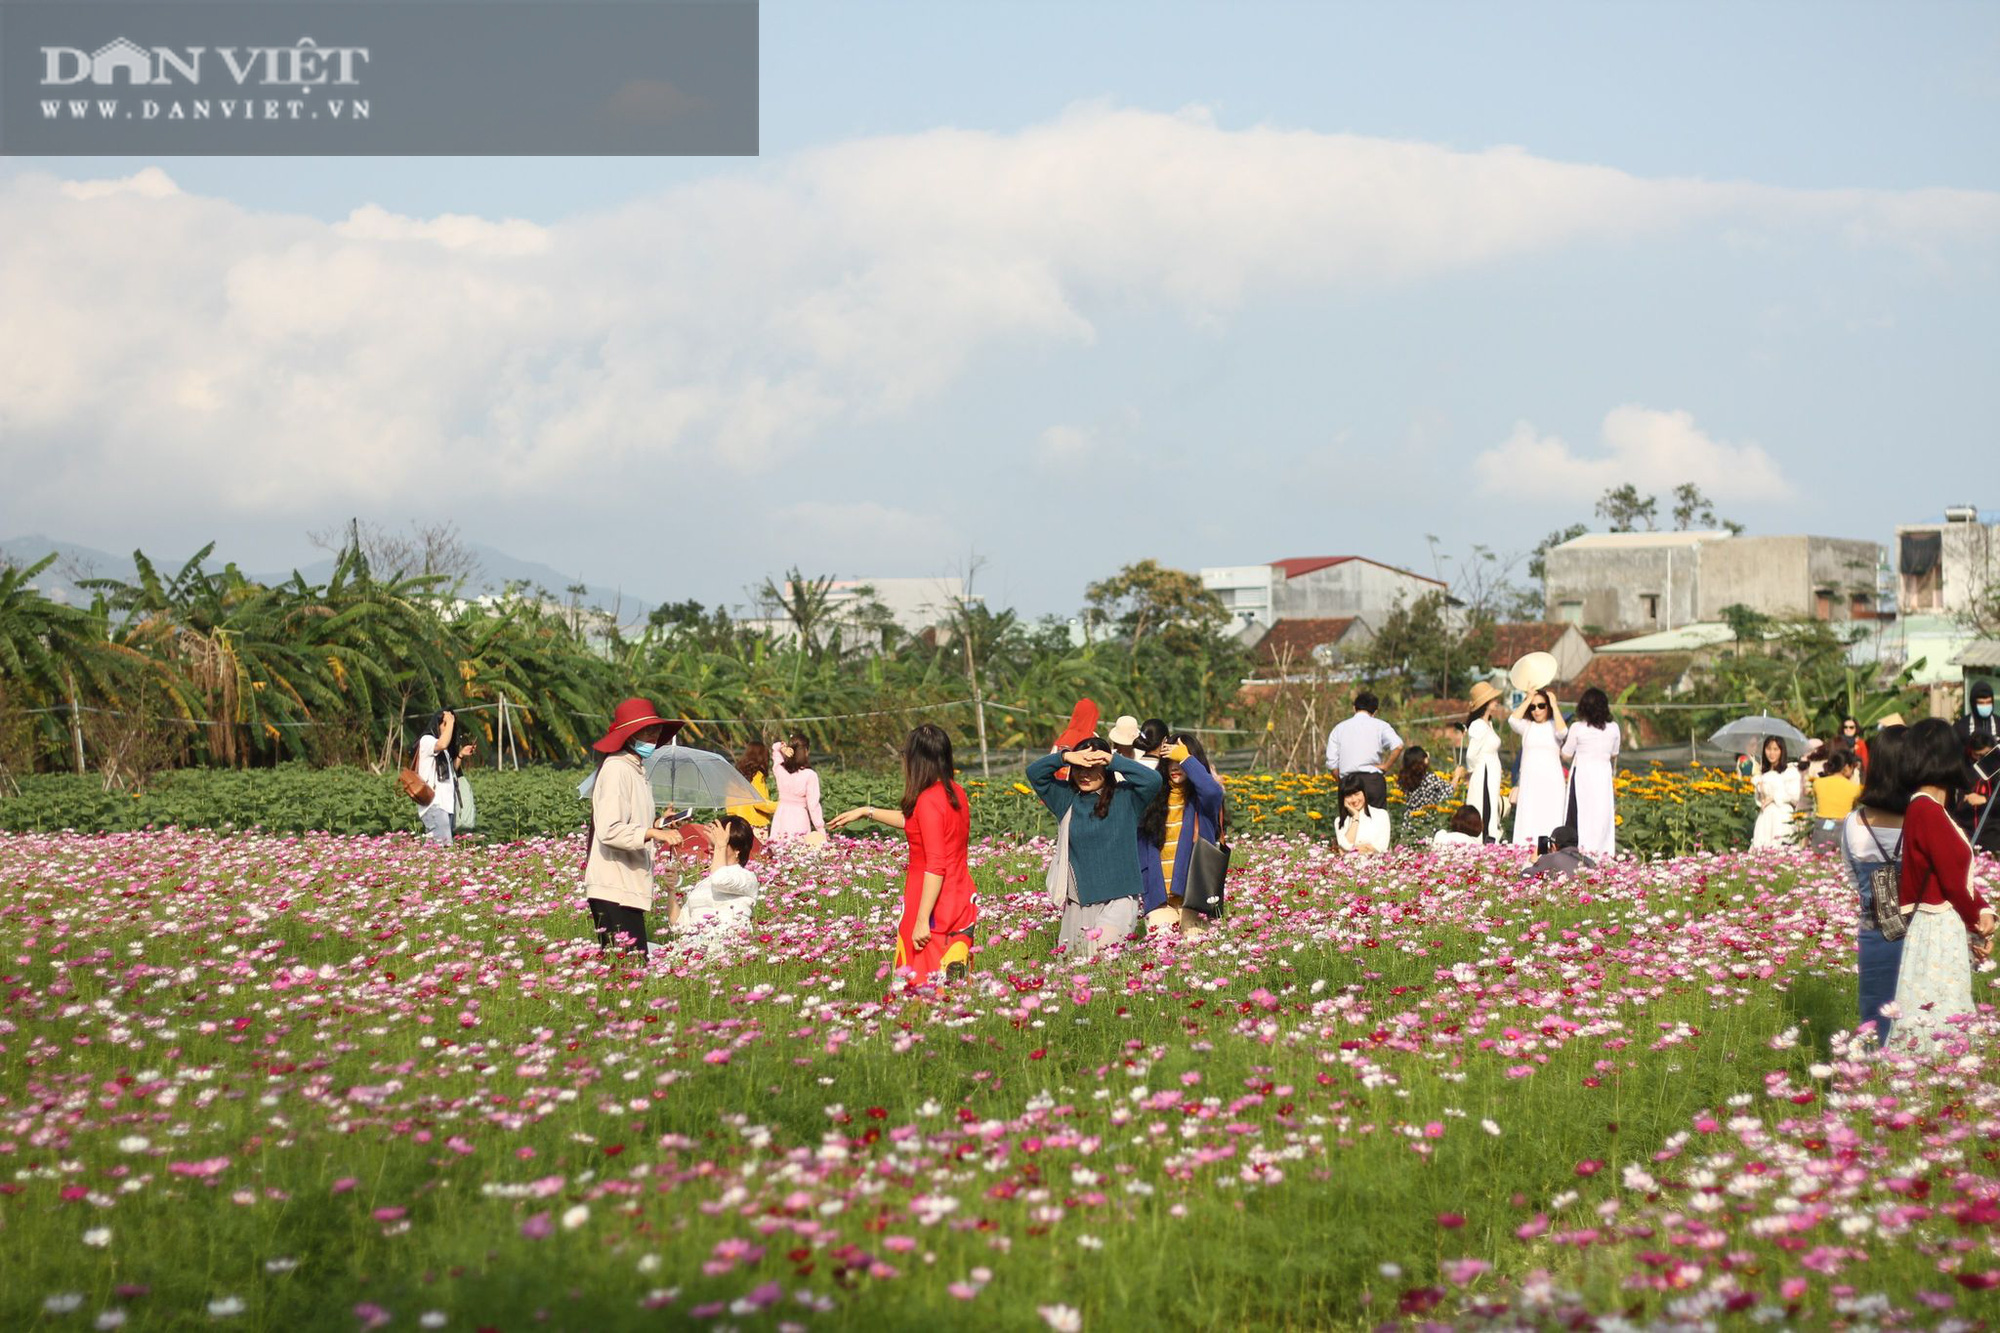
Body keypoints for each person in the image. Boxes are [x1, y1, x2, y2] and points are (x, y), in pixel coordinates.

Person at [827, 724, 979, 985]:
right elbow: (917, 822)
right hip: (960, 899)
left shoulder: (929, 800)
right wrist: (867, 811)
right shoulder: (956, 793)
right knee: (954, 988)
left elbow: (936, 865)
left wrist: (922, 920)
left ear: (915, 760)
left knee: (923, 990)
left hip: (932, 906)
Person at [1888, 718, 1997, 1054]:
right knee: (1936, 1017)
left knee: (1933, 1010)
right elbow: (1951, 883)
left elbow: (1953, 873)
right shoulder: (1927, 810)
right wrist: (1979, 922)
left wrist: (1983, 910)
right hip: (1936, 929)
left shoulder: (1930, 808)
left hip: (1939, 925)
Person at [1027, 738, 1162, 959]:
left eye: (1093, 768)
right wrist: (1065, 757)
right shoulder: (1066, 799)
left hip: (1119, 897)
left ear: (1106, 769)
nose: (1084, 774)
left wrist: (1112, 759)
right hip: (1079, 901)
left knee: (1103, 961)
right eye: (1079, 768)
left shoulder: (1127, 797)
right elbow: (1034, 773)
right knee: (1074, 969)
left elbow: (1153, 780)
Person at [583, 698, 687, 960]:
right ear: (628, 735)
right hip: (614, 887)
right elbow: (609, 830)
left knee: (630, 970)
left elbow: (631, 822)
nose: (653, 737)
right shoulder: (617, 769)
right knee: (628, 971)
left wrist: (659, 824)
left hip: (627, 885)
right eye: (646, 731)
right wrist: (653, 833)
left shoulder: (636, 770)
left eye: (655, 731)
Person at [1840, 724, 1908, 1045]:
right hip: (1917, 933)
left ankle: (1872, 1082)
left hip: (1874, 931)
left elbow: (1853, 875)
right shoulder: (1924, 820)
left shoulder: (1854, 822)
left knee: (1875, 1020)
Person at [1137, 732, 1227, 934]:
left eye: (1180, 761)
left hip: (1194, 900)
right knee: (1163, 957)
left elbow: (1213, 791)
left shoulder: (1202, 804)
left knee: (1197, 959)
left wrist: (1185, 758)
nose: (1175, 767)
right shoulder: (1151, 801)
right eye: (1170, 760)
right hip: (1159, 901)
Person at [669, 815, 760, 937]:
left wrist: (720, 845)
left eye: (715, 843)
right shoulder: (702, 883)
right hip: (695, 949)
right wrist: (671, 890)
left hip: (727, 947)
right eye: (711, 843)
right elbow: (678, 925)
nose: (710, 848)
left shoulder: (747, 878)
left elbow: (720, 880)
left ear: (737, 849)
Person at [1560, 687, 1620, 857]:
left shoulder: (1577, 728)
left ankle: (1576, 852)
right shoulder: (1614, 728)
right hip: (1602, 776)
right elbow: (1614, 753)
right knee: (1601, 814)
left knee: (1578, 812)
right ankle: (1602, 852)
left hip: (1582, 776)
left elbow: (1566, 754)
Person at [1508, 688, 1568, 847]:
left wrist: (1554, 705)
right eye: (1533, 707)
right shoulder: (1527, 726)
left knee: (1549, 818)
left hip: (1551, 782)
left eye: (1541, 705)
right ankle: (1526, 854)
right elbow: (1512, 720)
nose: (1537, 710)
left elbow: (1563, 732)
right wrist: (1528, 699)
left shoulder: (1554, 725)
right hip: (1530, 782)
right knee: (1529, 817)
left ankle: (1547, 854)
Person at [1325, 691, 1403, 810]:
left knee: (1350, 824)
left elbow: (1332, 764)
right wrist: (1386, 766)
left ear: (1354, 708)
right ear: (1375, 712)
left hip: (1349, 781)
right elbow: (1398, 746)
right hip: (1373, 781)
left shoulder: (1339, 728)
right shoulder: (1381, 725)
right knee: (1376, 823)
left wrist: (1342, 782)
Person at [413, 708, 474, 846]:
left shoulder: (444, 751)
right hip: (434, 805)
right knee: (445, 848)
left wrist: (460, 755)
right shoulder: (427, 741)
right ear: (437, 724)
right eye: (445, 724)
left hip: (446, 806)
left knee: (437, 849)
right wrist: (450, 720)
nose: (449, 728)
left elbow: (451, 772)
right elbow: (442, 743)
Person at [1462, 682, 1507, 841]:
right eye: (1493, 699)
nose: (1496, 702)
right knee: (1484, 807)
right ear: (1485, 703)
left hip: (1491, 772)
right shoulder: (1478, 725)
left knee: (1491, 806)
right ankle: (1484, 840)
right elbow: (1471, 754)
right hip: (1484, 773)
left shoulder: (1489, 724)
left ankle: (1490, 839)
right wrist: (1474, 771)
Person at [768, 733, 825, 841]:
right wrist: (820, 829)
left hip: (781, 816)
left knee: (779, 849)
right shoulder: (810, 775)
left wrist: (782, 747)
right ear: (806, 751)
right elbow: (813, 806)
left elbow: (775, 749)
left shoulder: (780, 770)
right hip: (799, 817)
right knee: (798, 851)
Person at [1750, 737, 1802, 849]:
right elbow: (1760, 801)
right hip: (1766, 817)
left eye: (1775, 749)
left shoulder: (1790, 771)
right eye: (1768, 749)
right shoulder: (1763, 774)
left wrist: (1774, 798)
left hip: (1782, 816)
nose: (1771, 753)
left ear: (1781, 751)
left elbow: (1795, 795)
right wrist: (1760, 788)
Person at [1809, 749, 1862, 849]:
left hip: (1822, 827)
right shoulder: (1854, 788)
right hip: (1843, 829)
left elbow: (1817, 802)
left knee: (1819, 861)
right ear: (1847, 767)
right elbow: (1854, 808)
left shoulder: (1818, 783)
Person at [727, 740, 779, 831]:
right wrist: (781, 806)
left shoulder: (735, 776)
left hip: (736, 825)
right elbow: (760, 803)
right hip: (755, 825)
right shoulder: (757, 776)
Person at [1335, 773, 1392, 854]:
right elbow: (1346, 846)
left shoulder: (1381, 815)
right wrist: (1356, 816)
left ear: (1364, 793)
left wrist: (1352, 851)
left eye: (1357, 794)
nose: (1354, 799)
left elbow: (1382, 847)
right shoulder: (1340, 821)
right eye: (1348, 796)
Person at [1521, 824, 1595, 878]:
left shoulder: (1550, 858)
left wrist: (1531, 861)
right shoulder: (1590, 862)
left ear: (1554, 845)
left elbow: (1525, 876)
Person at [1396, 746, 1456, 813]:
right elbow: (1449, 791)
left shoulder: (1403, 779)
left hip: (1408, 819)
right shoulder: (1429, 778)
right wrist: (1457, 776)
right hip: (1426, 819)